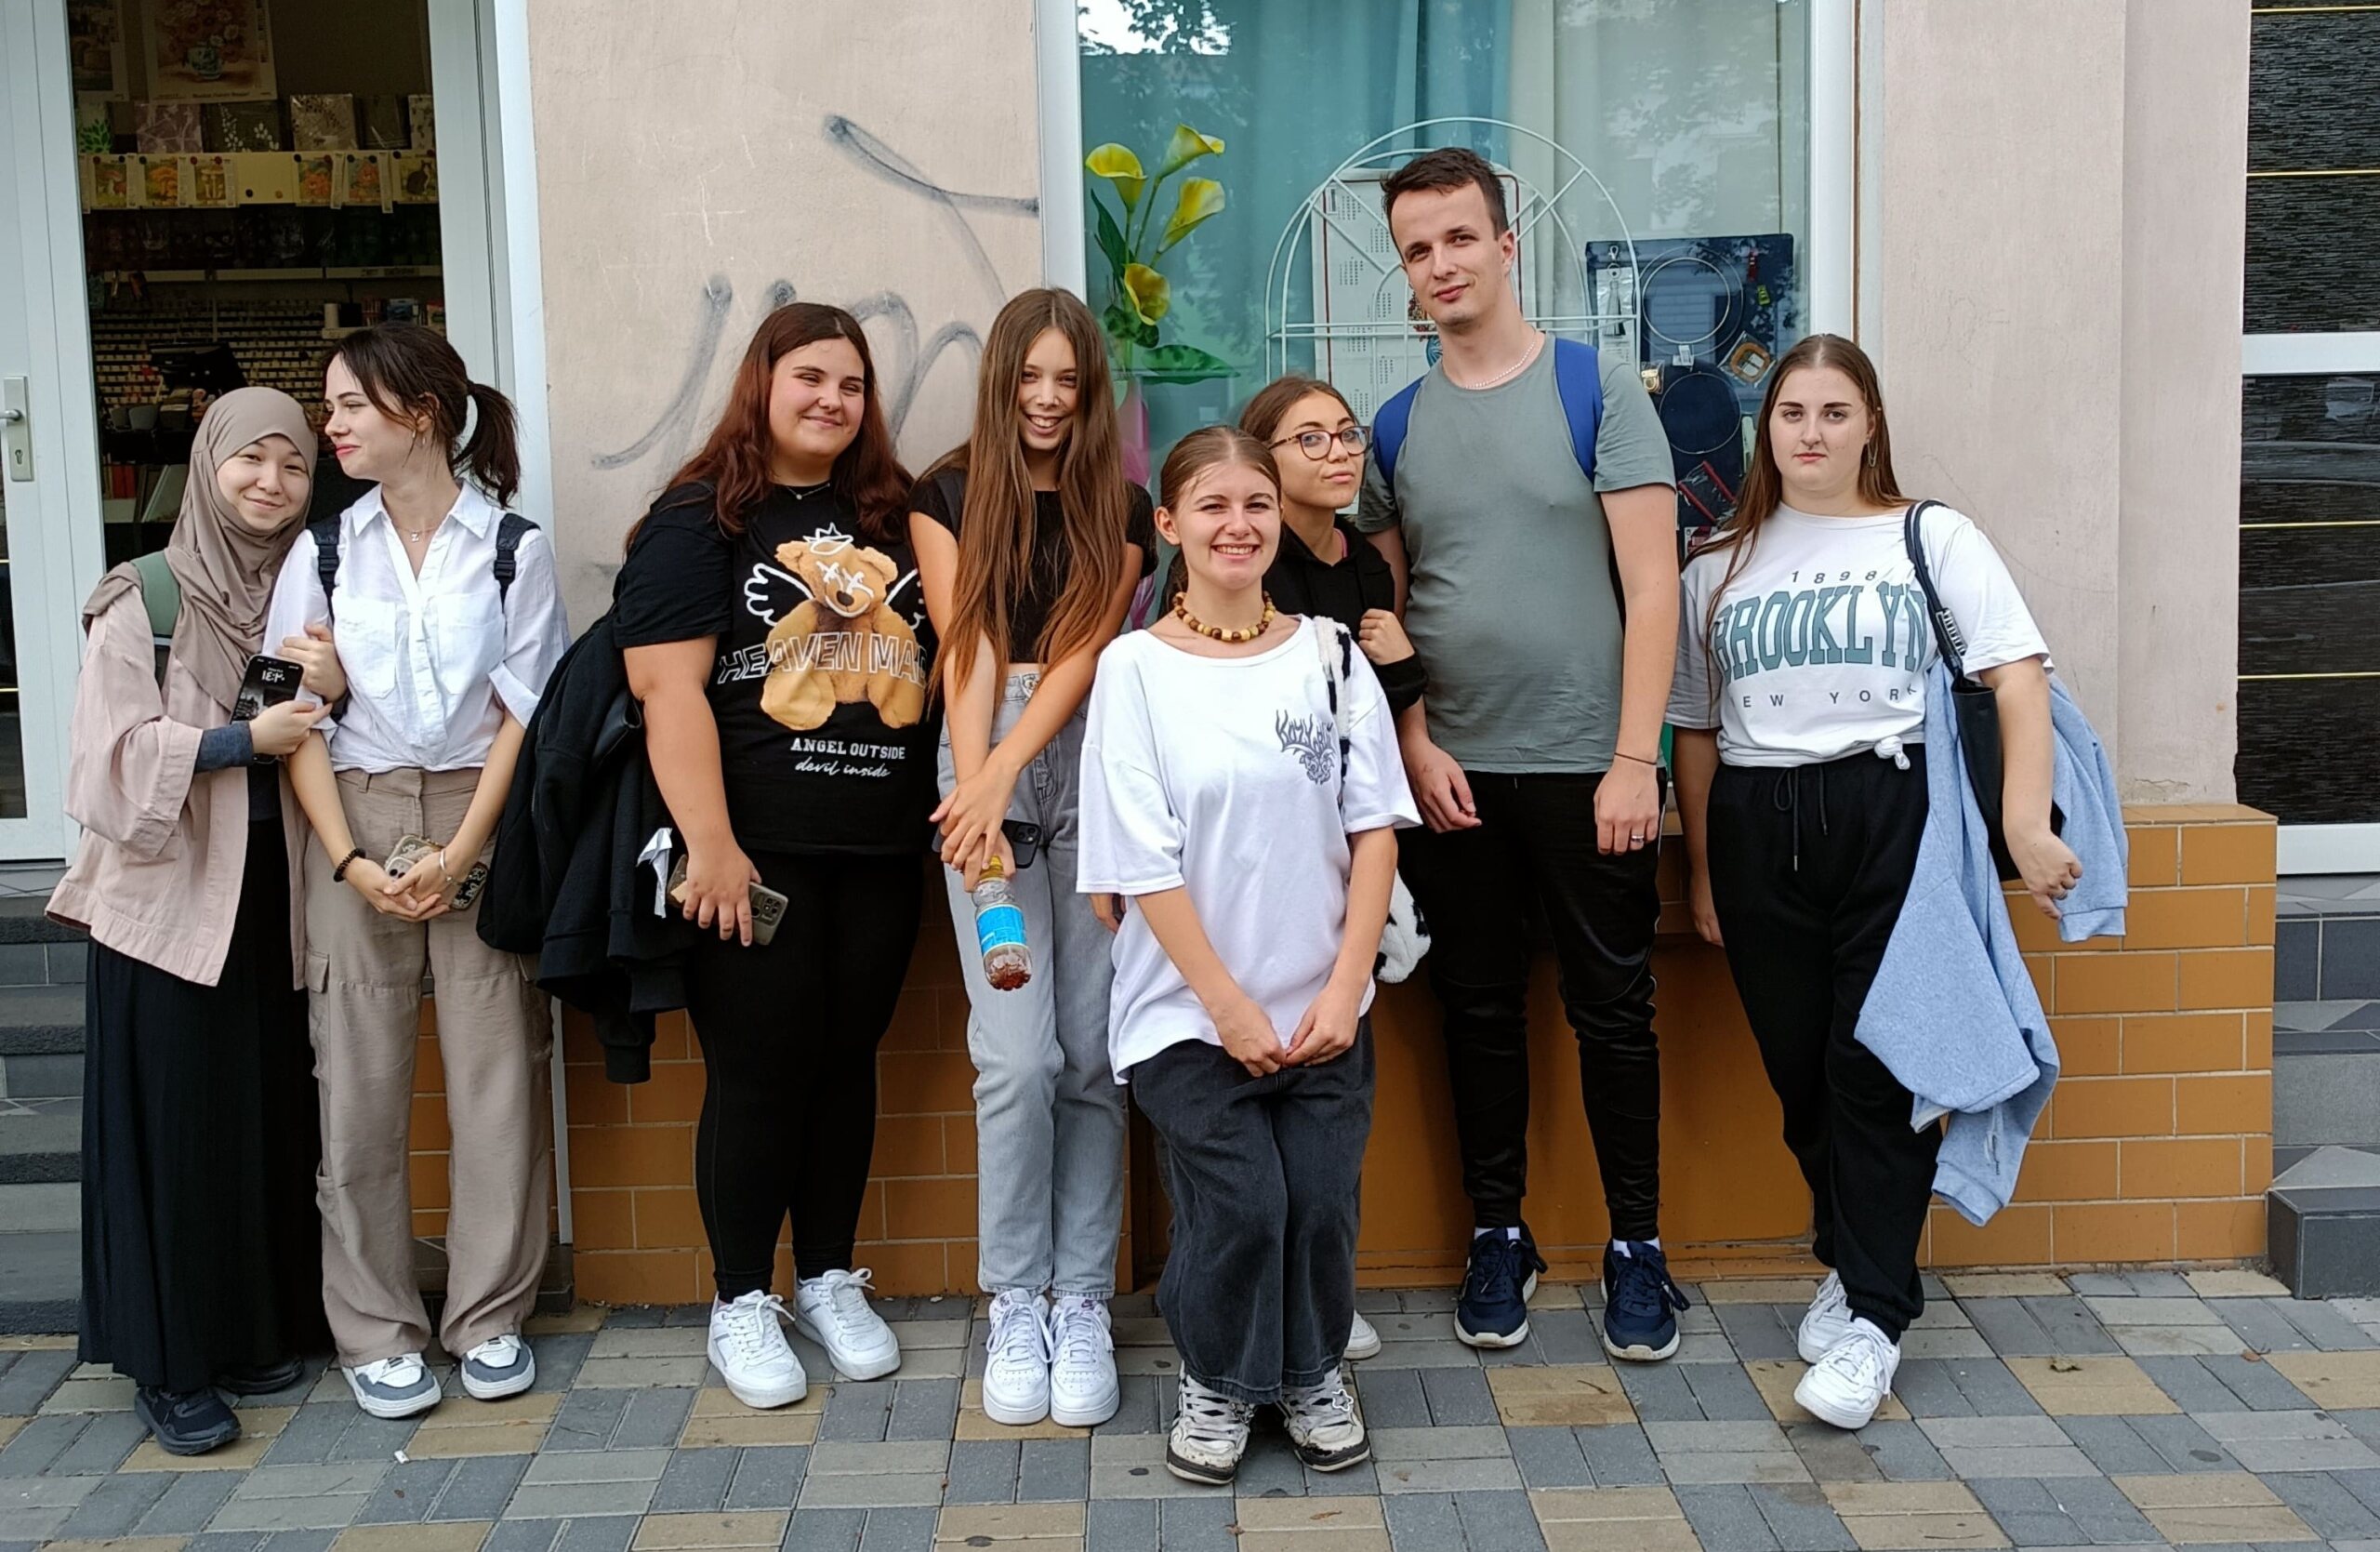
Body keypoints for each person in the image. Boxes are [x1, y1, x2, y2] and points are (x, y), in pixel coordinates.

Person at [1670, 333, 2072, 1428]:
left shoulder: (1928, 536)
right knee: (1801, 1074)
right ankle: (1852, 1262)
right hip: (1756, 824)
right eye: (1791, 412)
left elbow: (2016, 678)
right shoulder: (1717, 563)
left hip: (1892, 812)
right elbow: (1695, 730)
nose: (1811, 433)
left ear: (1869, 426)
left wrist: (2024, 822)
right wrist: (1703, 868)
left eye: (1834, 412)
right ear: (1766, 428)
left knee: (1875, 1067)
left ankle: (1877, 1318)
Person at [1353, 147, 1687, 1359]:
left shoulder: (1596, 390)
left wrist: (1636, 758)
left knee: (1614, 1012)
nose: (1440, 264)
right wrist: (1413, 740)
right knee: (1478, 1009)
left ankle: (1638, 1247)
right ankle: (1499, 1232)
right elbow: (1385, 615)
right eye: (1417, 249)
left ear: (1504, 245)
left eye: (1458, 238)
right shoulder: (1397, 425)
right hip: (1456, 773)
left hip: (1591, 769)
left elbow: (1654, 590)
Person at [1080, 426, 1417, 1483]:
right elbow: (1140, 860)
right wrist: (1224, 1004)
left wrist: (1347, 986)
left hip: (1321, 999)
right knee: (1240, 1204)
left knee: (1317, 1198)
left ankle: (1312, 1368)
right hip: (1187, 1009)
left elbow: (1374, 829)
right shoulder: (1134, 670)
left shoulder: (1330, 655)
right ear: (1169, 524)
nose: (1239, 525)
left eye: (1257, 504)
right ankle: (1221, 1377)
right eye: (1213, 505)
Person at [615, 302, 936, 1409]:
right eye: (810, 377)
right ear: (762, 381)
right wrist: (710, 846)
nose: (831, 401)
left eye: (851, 384)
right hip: (754, 855)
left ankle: (830, 1276)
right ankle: (742, 1298)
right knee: (759, 1073)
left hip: (880, 851)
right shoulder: (701, 514)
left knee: (847, 1062)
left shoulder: (893, 513)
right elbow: (664, 689)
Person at [268, 325, 567, 1420]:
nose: (332, 426)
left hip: (480, 812)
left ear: (422, 413)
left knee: (496, 1079)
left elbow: (526, 714)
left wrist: (465, 847)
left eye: (351, 405)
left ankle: (487, 1316)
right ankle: (376, 1327)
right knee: (357, 1084)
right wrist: (349, 859)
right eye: (331, 406)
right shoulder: (323, 551)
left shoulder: (512, 548)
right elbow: (290, 717)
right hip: (355, 808)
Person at [50, 389, 338, 1455]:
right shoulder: (145, 596)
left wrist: (330, 687)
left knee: (256, 1117)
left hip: (269, 899)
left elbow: (312, 732)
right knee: (171, 1133)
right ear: (209, 465)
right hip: (165, 908)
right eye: (249, 460)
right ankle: (170, 1367)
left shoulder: (304, 590)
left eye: (293, 465)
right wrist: (234, 743)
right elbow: (106, 765)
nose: (272, 482)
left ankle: (250, 1330)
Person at [909, 288, 1155, 1428]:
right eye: (1029, 377)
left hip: (1091, 758)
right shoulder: (947, 493)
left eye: (1068, 379)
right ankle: (1013, 1298)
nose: (1048, 399)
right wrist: (978, 794)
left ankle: (1080, 1298)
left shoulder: (1124, 505)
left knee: (1091, 1056)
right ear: (1001, 378)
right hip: (981, 756)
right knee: (1015, 1056)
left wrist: (1006, 771)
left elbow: (1081, 654)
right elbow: (967, 645)